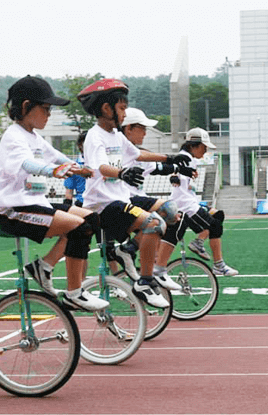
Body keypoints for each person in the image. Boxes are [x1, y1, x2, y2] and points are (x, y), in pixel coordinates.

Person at [0, 75, 108, 311]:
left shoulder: (33, 137)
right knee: (80, 228)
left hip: (36, 204)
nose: (49, 113)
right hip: (13, 211)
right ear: (25, 106)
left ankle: (44, 267)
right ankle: (74, 293)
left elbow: (57, 156)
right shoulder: (13, 137)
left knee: (90, 219)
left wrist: (81, 169)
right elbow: (27, 164)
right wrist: (54, 170)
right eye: (45, 108)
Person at [77, 79, 189, 308]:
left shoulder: (117, 136)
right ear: (107, 109)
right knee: (154, 223)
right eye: (122, 108)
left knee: (161, 220)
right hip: (101, 204)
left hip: (119, 200)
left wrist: (169, 158)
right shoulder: (95, 136)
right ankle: (144, 282)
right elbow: (99, 167)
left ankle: (132, 257)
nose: (125, 112)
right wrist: (122, 173)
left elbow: (138, 154)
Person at [112, 107, 197, 281]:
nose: (145, 133)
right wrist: (172, 160)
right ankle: (148, 266)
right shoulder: (118, 144)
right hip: (123, 200)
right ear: (128, 128)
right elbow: (144, 156)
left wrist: (177, 166)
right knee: (170, 212)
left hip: (133, 198)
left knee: (174, 219)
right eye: (142, 128)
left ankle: (150, 263)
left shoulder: (130, 148)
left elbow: (157, 168)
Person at [155, 127, 239, 277]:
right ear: (195, 145)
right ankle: (218, 264)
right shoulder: (185, 157)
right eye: (204, 147)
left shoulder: (189, 158)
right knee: (215, 226)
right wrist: (174, 177)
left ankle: (199, 244)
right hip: (185, 206)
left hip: (191, 202)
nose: (205, 150)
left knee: (218, 215)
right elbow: (176, 170)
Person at [63, 132, 92, 207]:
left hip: (102, 203)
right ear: (80, 145)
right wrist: (67, 208)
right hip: (82, 203)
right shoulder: (74, 166)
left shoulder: (103, 164)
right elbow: (69, 191)